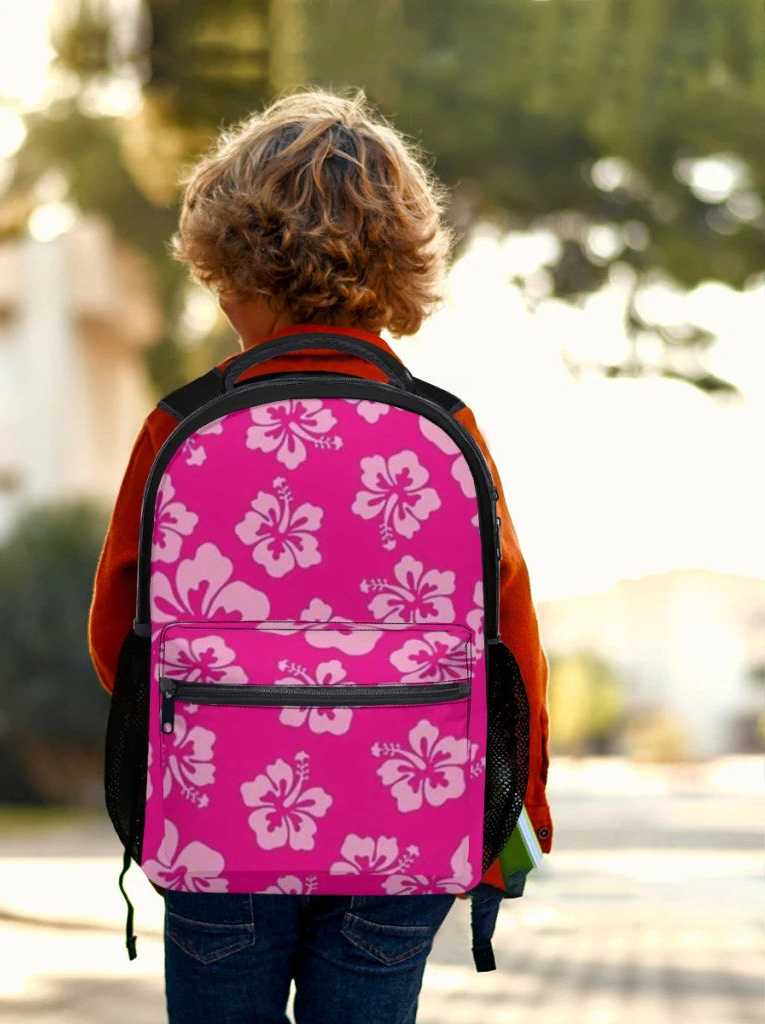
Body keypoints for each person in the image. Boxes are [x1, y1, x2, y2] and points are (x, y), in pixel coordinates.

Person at [89, 88, 551, 1024]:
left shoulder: (180, 426)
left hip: (220, 826)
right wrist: (520, 808)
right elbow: (510, 636)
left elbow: (117, 636)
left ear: (233, 269)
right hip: (403, 831)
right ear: (400, 269)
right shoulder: (446, 429)